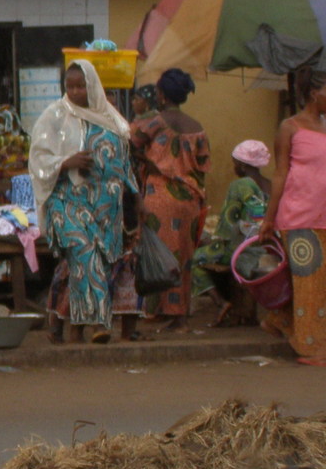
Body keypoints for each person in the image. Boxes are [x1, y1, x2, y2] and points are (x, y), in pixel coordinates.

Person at [29, 61, 138, 345]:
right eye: (70, 86)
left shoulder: (111, 118)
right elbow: (38, 157)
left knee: (94, 264)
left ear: (92, 87)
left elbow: (126, 163)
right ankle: (98, 322)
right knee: (84, 251)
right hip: (67, 201)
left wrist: (134, 201)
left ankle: (77, 327)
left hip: (106, 206)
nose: (75, 92)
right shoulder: (54, 116)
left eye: (81, 86)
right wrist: (66, 162)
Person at [130, 67, 210, 332]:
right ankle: (179, 317)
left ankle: (154, 311)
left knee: (154, 255)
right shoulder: (197, 128)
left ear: (161, 95)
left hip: (159, 196)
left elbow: (133, 142)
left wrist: (148, 162)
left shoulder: (156, 122)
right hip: (189, 199)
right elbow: (203, 167)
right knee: (182, 259)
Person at [258, 67, 326, 366]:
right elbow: (280, 173)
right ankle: (309, 347)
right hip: (298, 215)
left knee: (315, 282)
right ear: (315, 93)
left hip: (323, 215)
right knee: (309, 280)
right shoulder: (290, 127)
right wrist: (269, 219)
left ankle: (279, 320)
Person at [190, 139, 272, 324]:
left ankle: (220, 303)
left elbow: (228, 225)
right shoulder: (271, 184)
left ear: (242, 165)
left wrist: (213, 241)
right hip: (267, 246)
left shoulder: (241, 185)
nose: (234, 167)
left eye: (235, 163)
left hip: (243, 250)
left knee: (194, 259)